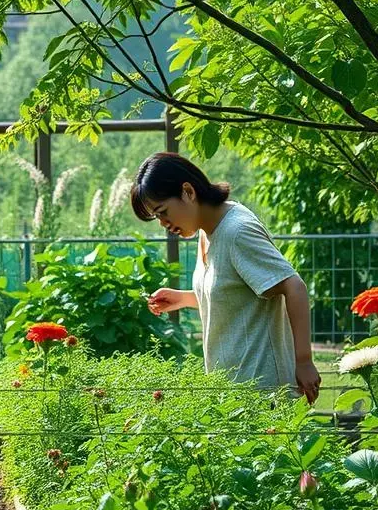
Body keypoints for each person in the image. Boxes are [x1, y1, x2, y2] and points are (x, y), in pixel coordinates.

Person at [131, 152, 321, 403]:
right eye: (157, 217)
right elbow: (236, 294)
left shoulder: (237, 231)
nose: (163, 223)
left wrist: (304, 361)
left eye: (163, 211)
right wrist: (185, 298)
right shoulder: (207, 230)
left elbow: (293, 285)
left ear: (188, 191)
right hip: (233, 395)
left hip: (266, 394)